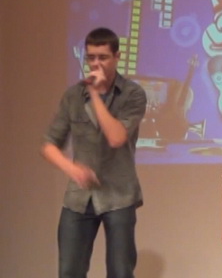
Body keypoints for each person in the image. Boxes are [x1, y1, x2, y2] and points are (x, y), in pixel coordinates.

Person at [41, 27, 147, 278]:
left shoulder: (133, 94)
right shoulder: (72, 96)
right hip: (79, 198)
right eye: (91, 57)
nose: (96, 64)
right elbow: (49, 144)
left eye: (103, 57)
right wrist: (71, 168)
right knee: (69, 270)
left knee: (120, 271)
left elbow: (116, 137)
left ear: (117, 57)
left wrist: (95, 95)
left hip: (119, 195)